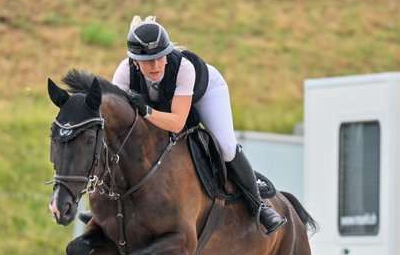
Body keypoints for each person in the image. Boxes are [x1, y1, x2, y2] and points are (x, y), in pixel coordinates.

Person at [112, 17, 286, 236]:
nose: (156, 65)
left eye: (160, 57)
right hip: (165, 103)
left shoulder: (183, 68)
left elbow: (176, 123)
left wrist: (146, 111)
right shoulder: (124, 73)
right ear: (134, 61)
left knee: (225, 147)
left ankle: (259, 206)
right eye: (148, 60)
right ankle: (111, 205)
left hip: (206, 91)